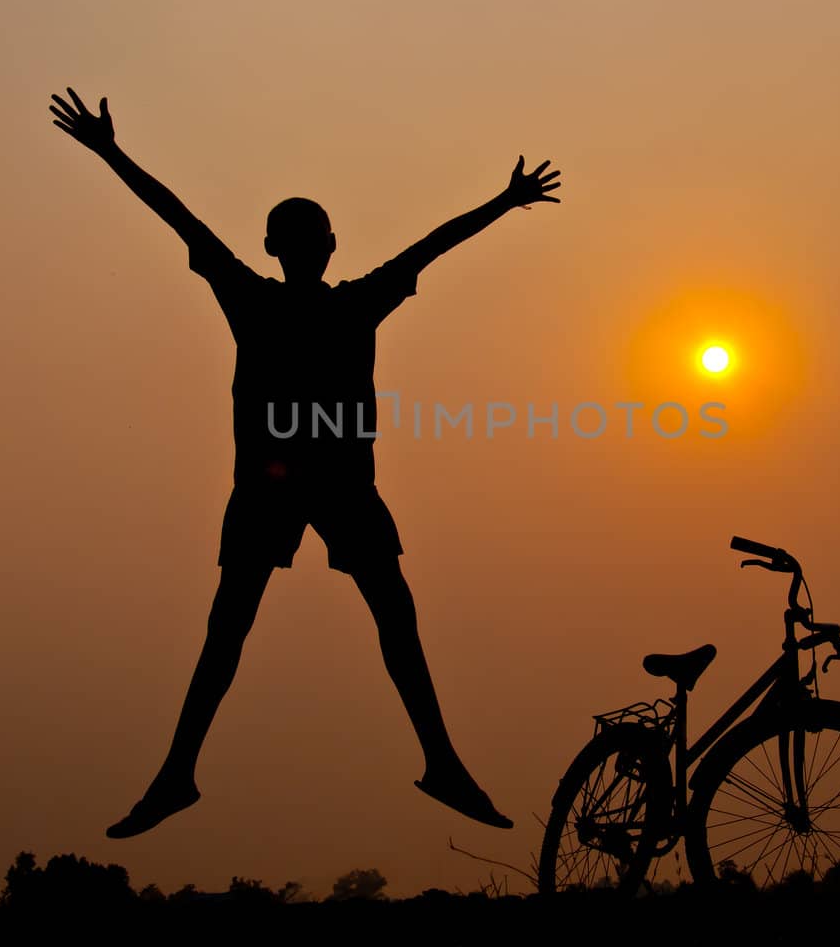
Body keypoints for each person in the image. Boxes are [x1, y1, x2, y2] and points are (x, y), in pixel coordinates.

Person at [49, 88, 560, 836]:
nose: (306, 247)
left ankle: (191, 774)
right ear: (312, 246)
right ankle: (186, 774)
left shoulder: (291, 300)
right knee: (298, 625)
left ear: (305, 246)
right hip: (292, 487)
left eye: (306, 237)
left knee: (332, 623)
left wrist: (503, 201)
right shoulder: (313, 301)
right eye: (302, 237)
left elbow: (430, 243)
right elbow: (430, 244)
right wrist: (503, 201)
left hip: (319, 487)